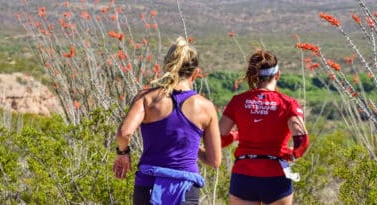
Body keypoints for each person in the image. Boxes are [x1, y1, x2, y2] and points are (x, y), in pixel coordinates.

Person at [113, 37, 221, 205]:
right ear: (196, 73)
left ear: (167, 67)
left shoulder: (146, 98)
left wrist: (122, 153)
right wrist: (191, 145)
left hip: (149, 184)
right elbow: (214, 161)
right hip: (185, 188)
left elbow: (124, 133)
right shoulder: (206, 107)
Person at [219, 49, 309, 205]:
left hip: (244, 174)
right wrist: (292, 154)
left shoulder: (238, 101)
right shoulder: (287, 104)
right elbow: (302, 139)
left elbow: (218, 138)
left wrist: (236, 135)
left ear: (254, 76)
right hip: (276, 173)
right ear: (277, 75)